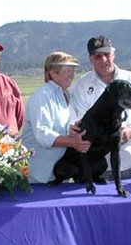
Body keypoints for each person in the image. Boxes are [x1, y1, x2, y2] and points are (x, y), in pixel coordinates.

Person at [70, 35, 131, 179]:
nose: (103, 60)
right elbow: (77, 118)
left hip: (129, 163)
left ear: (113, 54)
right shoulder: (82, 85)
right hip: (97, 167)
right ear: (91, 59)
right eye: (97, 56)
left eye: (106, 54)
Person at [22, 52, 91, 184]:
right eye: (67, 71)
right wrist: (73, 143)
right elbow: (42, 134)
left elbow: (60, 126)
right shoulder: (42, 96)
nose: (72, 75)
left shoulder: (65, 94)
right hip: (39, 174)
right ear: (53, 73)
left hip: (57, 172)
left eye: (73, 71)